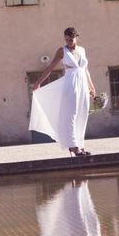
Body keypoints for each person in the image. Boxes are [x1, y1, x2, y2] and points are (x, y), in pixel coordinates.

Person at [30, 27, 96, 157]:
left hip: (83, 84)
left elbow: (85, 69)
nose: (69, 42)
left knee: (83, 114)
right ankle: (73, 146)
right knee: (71, 114)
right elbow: (50, 68)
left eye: (71, 39)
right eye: (66, 39)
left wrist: (92, 86)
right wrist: (38, 83)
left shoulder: (82, 50)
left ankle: (80, 145)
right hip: (70, 84)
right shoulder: (62, 51)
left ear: (76, 37)